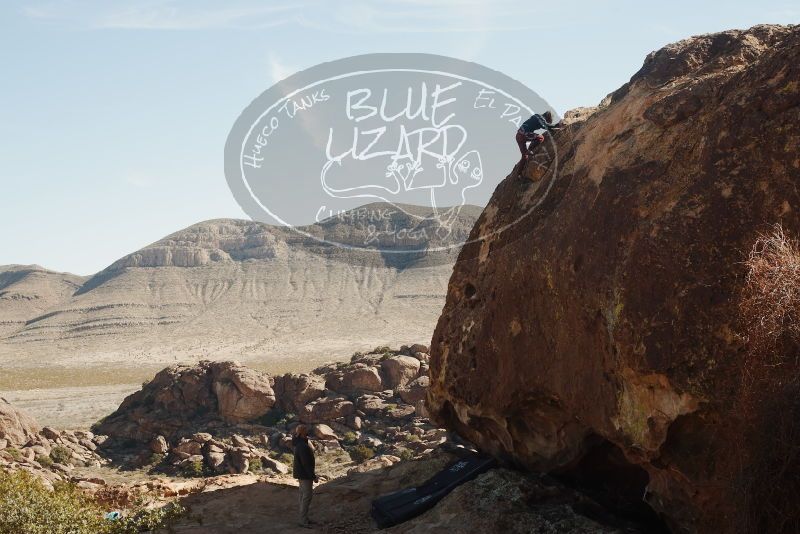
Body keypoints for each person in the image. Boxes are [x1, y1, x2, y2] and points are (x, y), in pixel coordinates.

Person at [514, 110, 560, 177]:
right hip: (524, 134)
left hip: (519, 135)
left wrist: (552, 129)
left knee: (525, 156)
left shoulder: (537, 116)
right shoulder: (541, 118)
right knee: (540, 138)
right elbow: (547, 126)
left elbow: (546, 127)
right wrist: (557, 125)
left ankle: (518, 174)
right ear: (547, 118)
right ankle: (530, 150)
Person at [292, 424, 319, 528]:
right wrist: (313, 476)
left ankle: (304, 518)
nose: (307, 433)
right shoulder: (303, 446)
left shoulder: (299, 443)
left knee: (303, 496)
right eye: (306, 431)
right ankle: (303, 521)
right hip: (305, 475)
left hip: (301, 474)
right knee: (307, 497)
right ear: (303, 433)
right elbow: (306, 464)